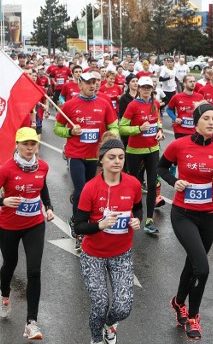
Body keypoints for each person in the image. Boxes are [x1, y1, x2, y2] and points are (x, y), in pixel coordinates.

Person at [157, 100, 213, 340]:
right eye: (207, 119)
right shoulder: (179, 145)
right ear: (196, 122)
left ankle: (178, 302)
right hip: (184, 214)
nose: (212, 122)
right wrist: (174, 181)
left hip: (210, 215)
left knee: (192, 263)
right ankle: (193, 316)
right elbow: (161, 168)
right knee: (202, 267)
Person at [0, 127, 55, 340]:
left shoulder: (43, 166)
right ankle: (5, 295)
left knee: (34, 271)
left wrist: (49, 207)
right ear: (17, 145)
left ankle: (31, 322)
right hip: (9, 226)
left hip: (34, 224)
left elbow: (42, 188)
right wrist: (3, 201)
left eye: (33, 144)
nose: (30, 148)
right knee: (10, 264)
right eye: (25, 144)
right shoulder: (6, 169)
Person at [74, 136, 142, 344]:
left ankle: (109, 325)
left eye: (121, 157)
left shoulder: (133, 184)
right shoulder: (91, 188)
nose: (117, 162)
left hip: (121, 253)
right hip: (93, 255)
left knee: (123, 307)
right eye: (111, 157)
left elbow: (138, 207)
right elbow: (78, 225)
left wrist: (137, 219)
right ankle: (96, 339)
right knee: (100, 304)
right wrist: (99, 225)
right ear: (101, 160)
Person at [54, 72, 119, 250]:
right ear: (80, 84)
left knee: (93, 193)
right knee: (82, 191)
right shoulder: (70, 105)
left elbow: (114, 124)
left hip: (96, 156)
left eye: (95, 82)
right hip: (76, 155)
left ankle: (84, 221)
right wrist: (70, 132)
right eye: (89, 83)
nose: (93, 86)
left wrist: (112, 136)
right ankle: (79, 230)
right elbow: (57, 128)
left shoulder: (104, 103)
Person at [119, 76, 165, 234]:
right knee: (134, 185)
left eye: (149, 87)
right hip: (134, 151)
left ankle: (149, 220)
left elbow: (157, 121)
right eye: (144, 87)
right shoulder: (133, 105)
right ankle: (130, 214)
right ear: (138, 89)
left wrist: (160, 131)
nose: (146, 90)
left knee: (152, 184)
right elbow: (122, 128)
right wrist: (138, 129)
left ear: (152, 89)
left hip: (152, 149)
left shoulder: (155, 103)